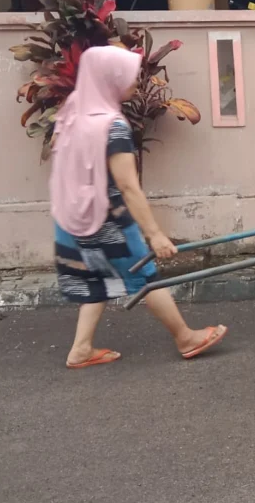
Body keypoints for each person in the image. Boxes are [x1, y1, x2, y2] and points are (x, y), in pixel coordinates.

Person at [50, 46, 227, 369]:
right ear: (109, 79)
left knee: (95, 279)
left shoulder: (74, 112)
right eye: (129, 76)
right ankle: (186, 337)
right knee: (144, 276)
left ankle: (81, 349)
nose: (136, 81)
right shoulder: (111, 126)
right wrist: (155, 235)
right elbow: (128, 186)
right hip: (108, 217)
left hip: (73, 214)